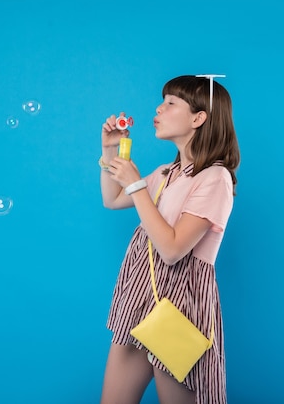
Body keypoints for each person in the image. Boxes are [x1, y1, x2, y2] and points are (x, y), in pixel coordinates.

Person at [99, 75, 240, 404]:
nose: (159, 109)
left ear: (198, 118)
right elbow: (112, 198)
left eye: (171, 103)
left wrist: (136, 187)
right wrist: (109, 149)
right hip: (138, 298)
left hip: (181, 306)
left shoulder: (215, 177)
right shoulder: (166, 172)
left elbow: (174, 249)